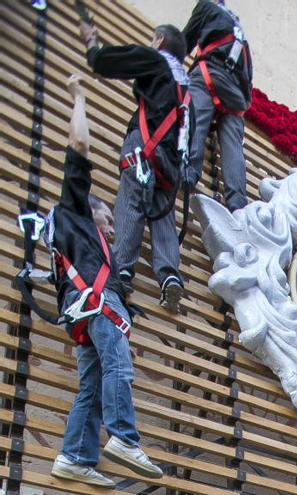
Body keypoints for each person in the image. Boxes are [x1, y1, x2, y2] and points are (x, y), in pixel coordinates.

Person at [49, 74, 163, 487]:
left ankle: (75, 456)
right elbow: (78, 148)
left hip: (81, 311)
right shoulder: (75, 213)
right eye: (108, 219)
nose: (113, 230)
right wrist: (78, 97)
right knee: (118, 366)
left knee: (92, 384)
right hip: (97, 304)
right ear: (88, 209)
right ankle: (123, 438)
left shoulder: (74, 239)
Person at [80, 21, 192, 313]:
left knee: (131, 201)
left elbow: (107, 62)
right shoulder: (185, 85)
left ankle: (122, 270)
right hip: (170, 162)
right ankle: (169, 275)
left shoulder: (155, 60)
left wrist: (92, 45)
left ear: (159, 41)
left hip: (143, 147)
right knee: (163, 214)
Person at [183, 0, 253, 212]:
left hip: (210, 75)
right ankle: (237, 203)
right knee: (233, 145)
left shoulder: (207, 7)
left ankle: (188, 174)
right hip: (237, 96)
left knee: (197, 118)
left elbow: (183, 43)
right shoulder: (238, 31)